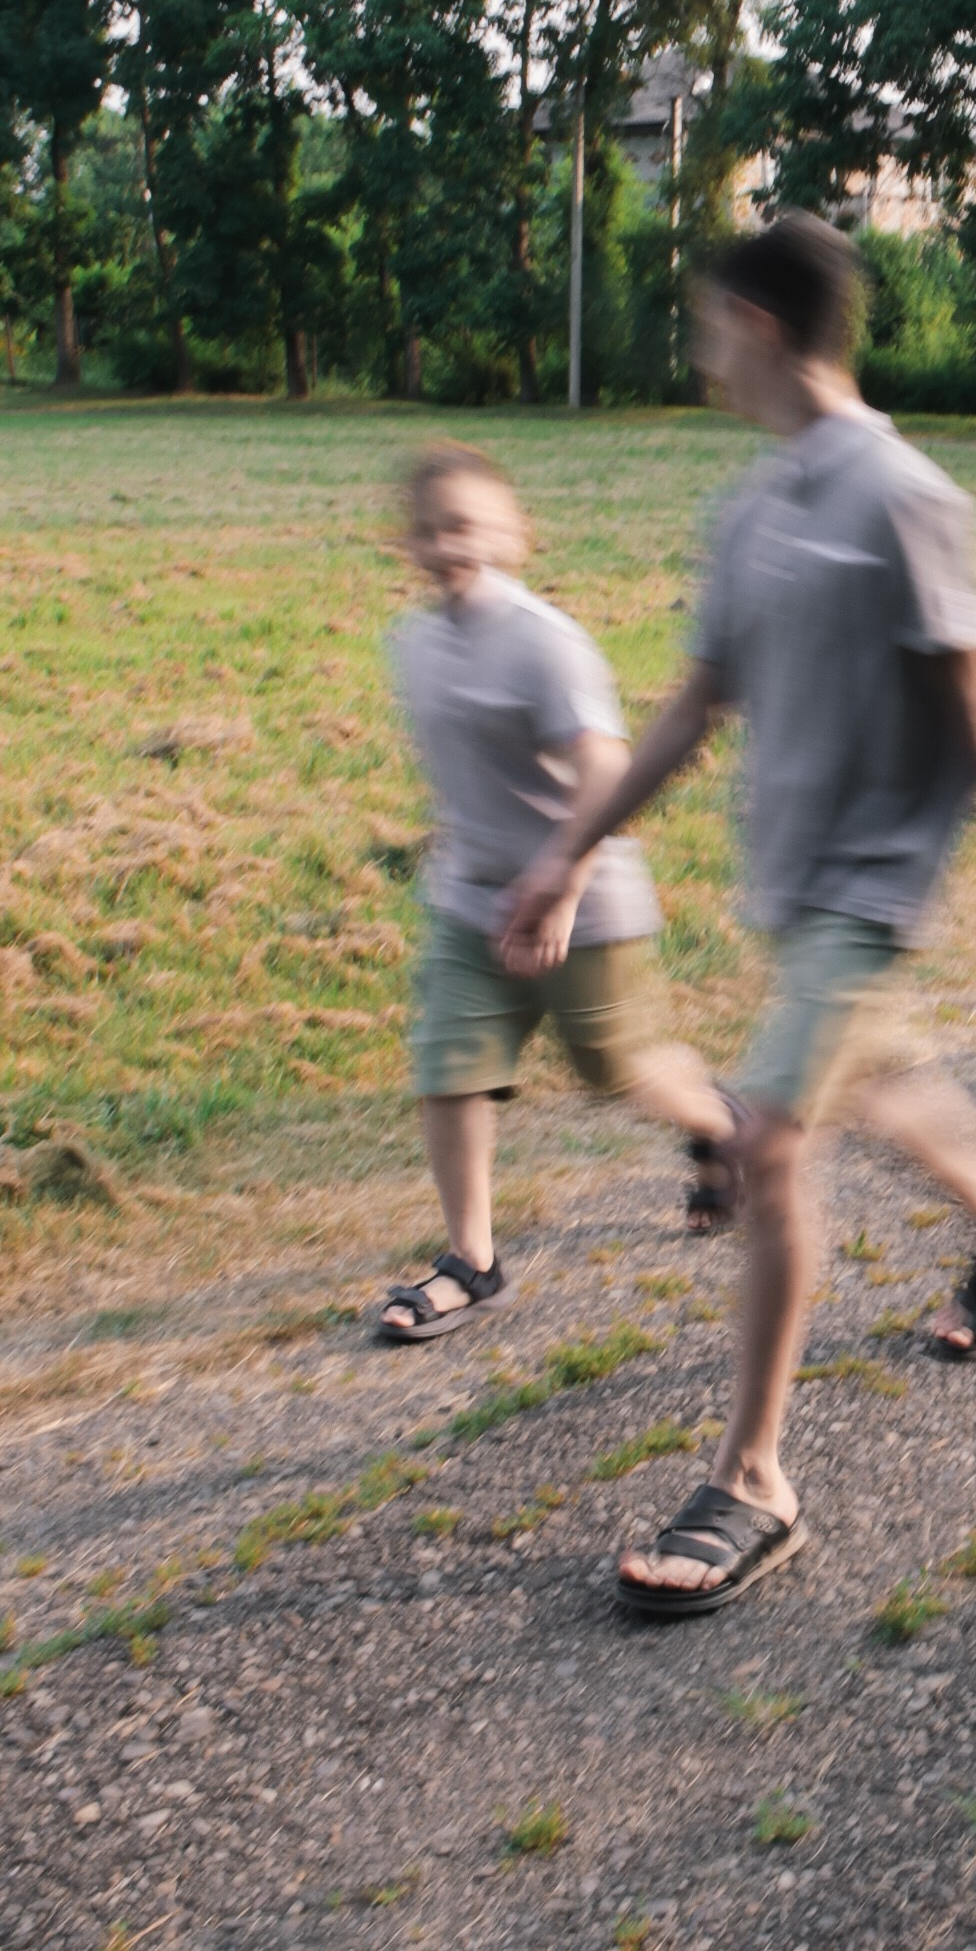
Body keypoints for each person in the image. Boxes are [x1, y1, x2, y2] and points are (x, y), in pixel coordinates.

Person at [499, 213, 976, 1623]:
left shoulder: (905, 494)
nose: (699, 354)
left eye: (708, 327)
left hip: (874, 886)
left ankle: (755, 1479)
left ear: (760, 325)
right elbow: (695, 705)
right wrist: (570, 850)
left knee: (767, 1138)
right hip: (794, 885)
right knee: (877, 1087)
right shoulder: (751, 507)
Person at [375, 444, 730, 1343]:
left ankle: (723, 1123)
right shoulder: (413, 644)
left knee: (616, 1070)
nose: (448, 542)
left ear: (515, 534)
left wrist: (563, 881)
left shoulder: (544, 639)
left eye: (467, 524)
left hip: (587, 898)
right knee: (449, 1068)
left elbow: (607, 767)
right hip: (475, 901)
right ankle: (471, 1260)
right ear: (406, 544)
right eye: (430, 527)